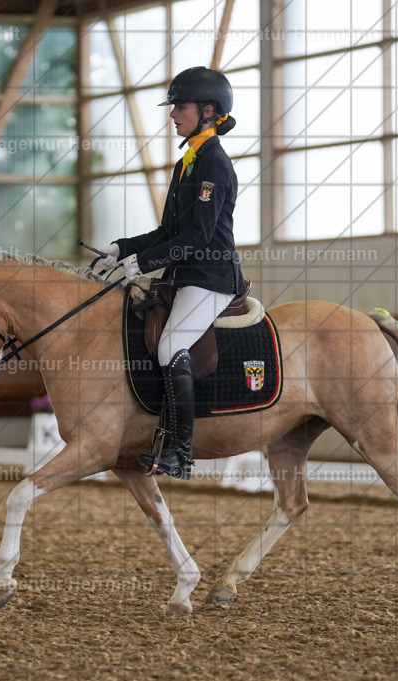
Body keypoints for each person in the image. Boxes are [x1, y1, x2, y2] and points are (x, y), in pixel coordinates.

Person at [97, 66, 244, 480]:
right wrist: (122, 249)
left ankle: (180, 452)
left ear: (208, 111)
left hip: (211, 277)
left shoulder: (214, 164)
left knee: (171, 346)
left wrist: (141, 264)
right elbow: (168, 232)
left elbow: (198, 236)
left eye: (180, 107)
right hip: (184, 276)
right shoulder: (186, 164)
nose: (173, 114)